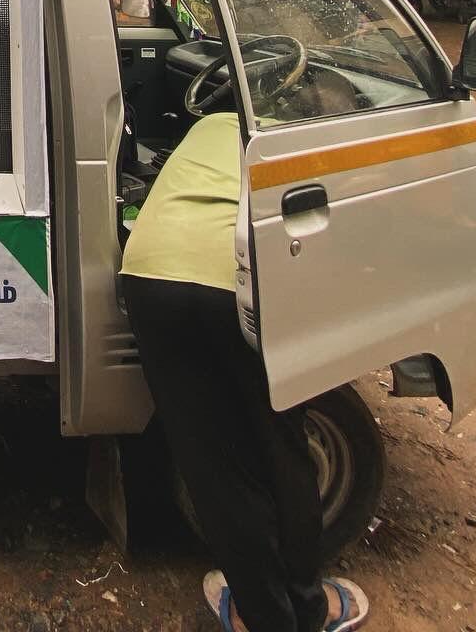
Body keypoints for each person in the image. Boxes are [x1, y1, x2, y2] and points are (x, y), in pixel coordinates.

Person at [120, 112, 370, 632]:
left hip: (149, 274)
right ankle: (309, 608)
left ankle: (260, 615)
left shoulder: (206, 126)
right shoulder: (294, 136)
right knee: (281, 445)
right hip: (238, 280)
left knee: (215, 466)